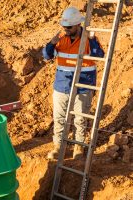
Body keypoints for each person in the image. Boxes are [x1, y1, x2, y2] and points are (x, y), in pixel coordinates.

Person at [42, 7, 104, 160]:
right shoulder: (60, 38)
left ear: (77, 25)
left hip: (83, 85)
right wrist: (51, 43)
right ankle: (58, 146)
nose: (66, 29)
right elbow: (46, 55)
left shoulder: (88, 38)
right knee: (59, 118)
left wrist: (92, 40)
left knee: (80, 118)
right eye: (64, 26)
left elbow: (99, 55)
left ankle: (78, 146)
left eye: (69, 27)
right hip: (62, 84)